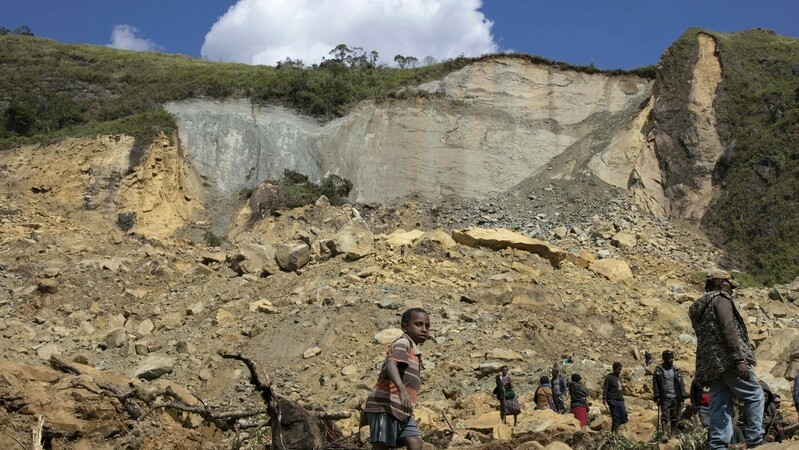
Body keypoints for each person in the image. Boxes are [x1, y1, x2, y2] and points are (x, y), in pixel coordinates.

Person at [688, 270, 764, 449]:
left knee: (720, 403)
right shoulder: (721, 299)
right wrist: (738, 359)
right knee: (755, 394)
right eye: (730, 286)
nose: (732, 290)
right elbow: (728, 328)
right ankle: (754, 438)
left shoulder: (701, 306)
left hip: (712, 365)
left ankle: (718, 445)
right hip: (728, 360)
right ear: (722, 283)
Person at [364, 308, 430, 450]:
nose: (424, 329)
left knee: (416, 442)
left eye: (427, 326)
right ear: (404, 327)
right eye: (418, 324)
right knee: (381, 445)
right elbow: (391, 363)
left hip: (400, 409)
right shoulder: (403, 343)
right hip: (385, 406)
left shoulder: (414, 349)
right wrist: (402, 390)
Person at [652, 350, 686, 442]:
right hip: (665, 397)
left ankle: (673, 434)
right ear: (665, 359)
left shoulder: (676, 369)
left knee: (674, 417)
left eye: (672, 358)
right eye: (669, 358)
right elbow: (655, 384)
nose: (671, 360)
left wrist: (682, 395)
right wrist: (657, 396)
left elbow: (681, 383)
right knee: (665, 416)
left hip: (675, 397)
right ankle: (664, 434)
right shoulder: (658, 370)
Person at [602, 362, 628, 433]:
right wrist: (605, 400)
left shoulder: (619, 378)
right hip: (612, 400)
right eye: (618, 369)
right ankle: (614, 434)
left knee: (623, 417)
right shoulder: (609, 377)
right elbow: (605, 388)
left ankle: (616, 432)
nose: (619, 371)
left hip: (620, 400)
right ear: (614, 369)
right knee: (616, 418)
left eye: (620, 369)